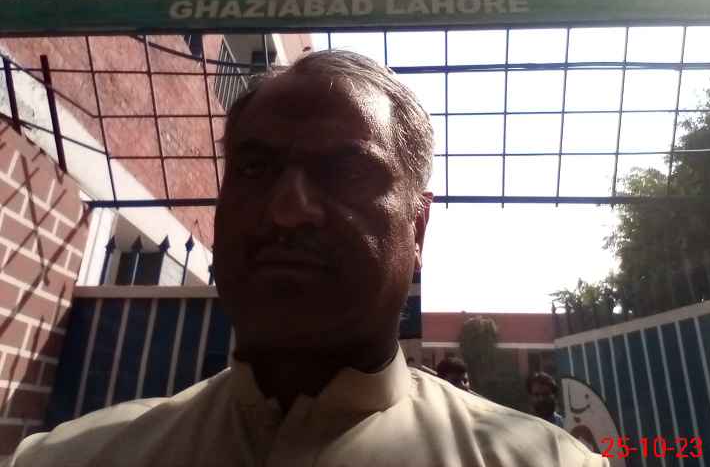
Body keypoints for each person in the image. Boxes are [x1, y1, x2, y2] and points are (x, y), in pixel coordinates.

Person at [4, 50, 606, 466]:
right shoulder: (70, 459)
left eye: (345, 171)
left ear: (418, 226)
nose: (287, 209)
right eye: (255, 168)